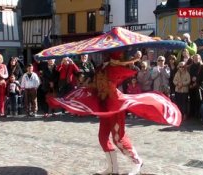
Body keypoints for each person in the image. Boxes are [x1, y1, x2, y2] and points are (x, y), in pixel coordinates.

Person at [46, 51, 182, 175]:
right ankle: (113, 168)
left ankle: (137, 162)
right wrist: (86, 84)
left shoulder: (114, 68)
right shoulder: (101, 67)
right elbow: (97, 84)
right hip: (104, 106)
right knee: (102, 137)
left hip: (115, 105)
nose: (104, 55)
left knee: (118, 138)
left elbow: (130, 70)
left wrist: (134, 59)